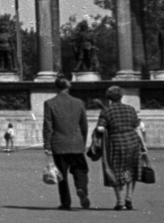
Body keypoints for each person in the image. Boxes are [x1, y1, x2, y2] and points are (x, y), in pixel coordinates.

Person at [93, 85, 146, 210]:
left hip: (116, 142)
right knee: (132, 169)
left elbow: (100, 128)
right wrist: (143, 145)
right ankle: (129, 197)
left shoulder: (106, 111)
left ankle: (120, 201)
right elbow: (138, 127)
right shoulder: (130, 109)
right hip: (133, 141)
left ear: (109, 98)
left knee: (116, 169)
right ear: (121, 96)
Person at [42, 76, 90, 210]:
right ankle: (81, 189)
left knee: (61, 175)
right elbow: (84, 125)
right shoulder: (79, 102)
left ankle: (65, 202)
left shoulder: (50, 103)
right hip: (76, 143)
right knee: (80, 170)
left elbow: (48, 126)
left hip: (59, 143)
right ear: (69, 86)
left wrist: (47, 145)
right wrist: (83, 141)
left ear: (56, 87)